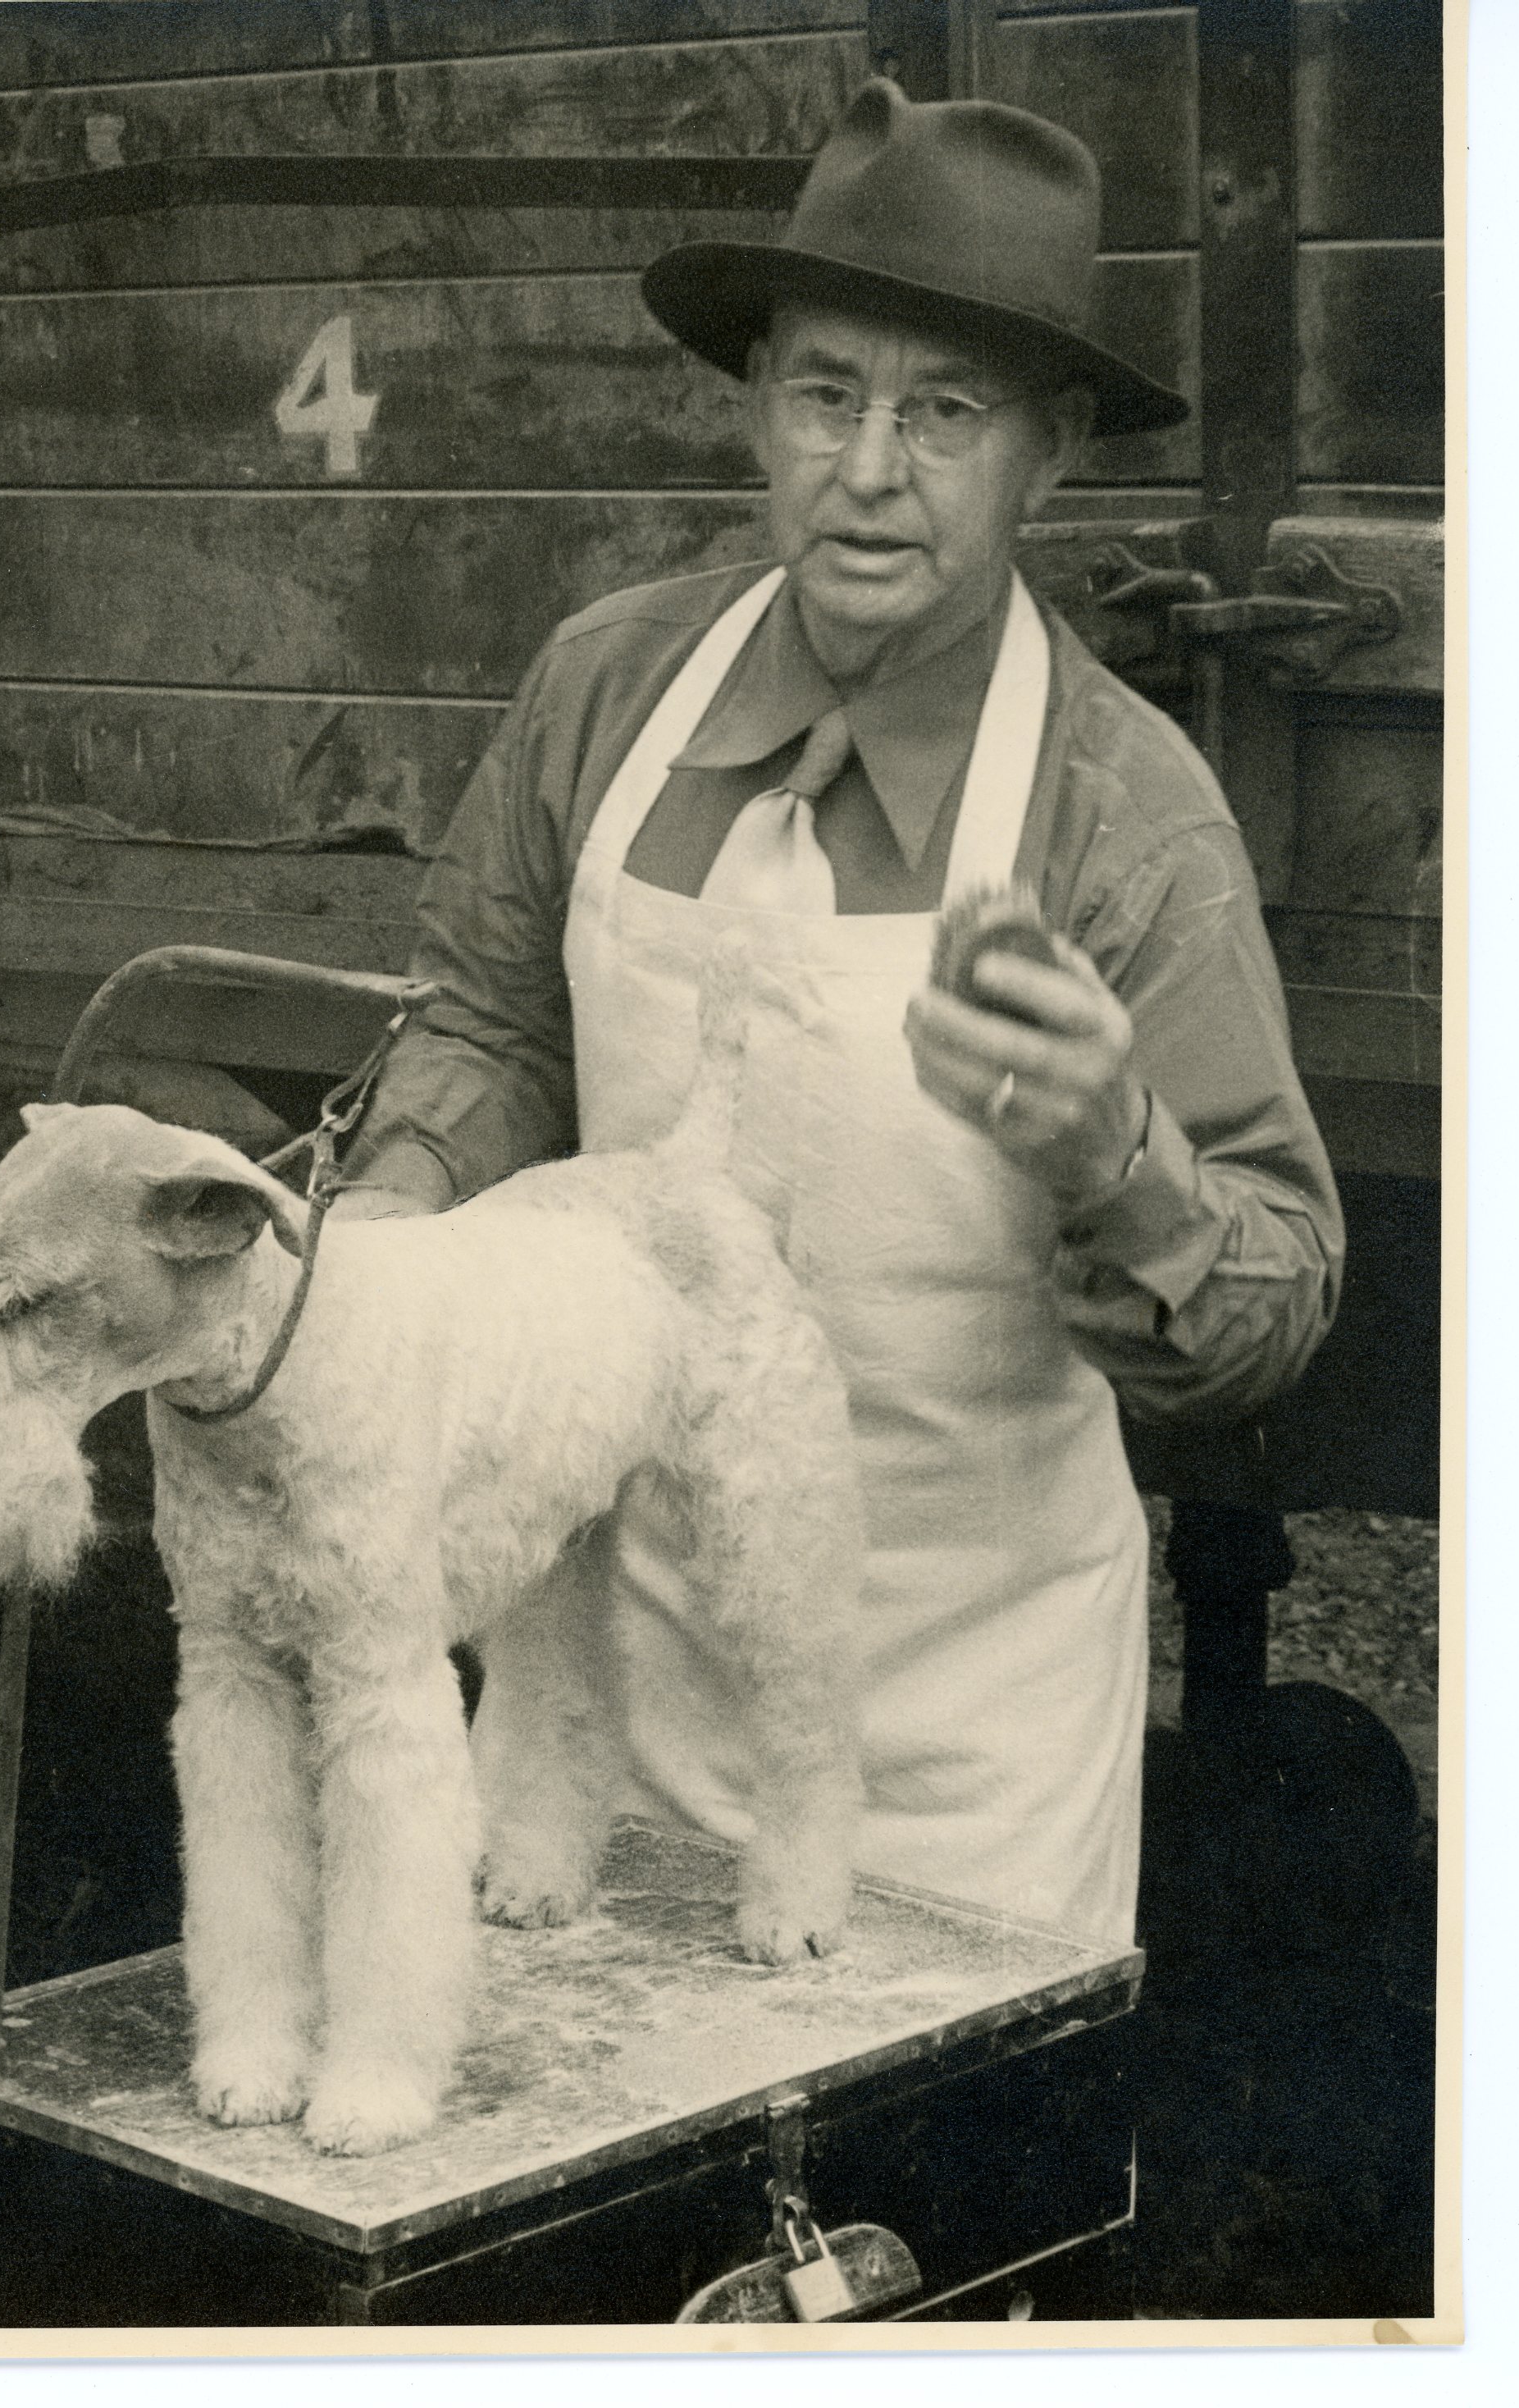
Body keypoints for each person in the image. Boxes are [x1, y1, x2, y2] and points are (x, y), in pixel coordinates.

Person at [333, 78, 1343, 1947]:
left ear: (1047, 454)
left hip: (956, 1742)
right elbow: (484, 1024)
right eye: (823, 393)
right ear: (755, 408)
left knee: (920, 2229)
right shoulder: (603, 684)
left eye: (942, 412)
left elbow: (1275, 1298)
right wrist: (391, 1218)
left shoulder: (1120, 818)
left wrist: (1117, 1157)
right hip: (600, 1687)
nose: (868, 468)